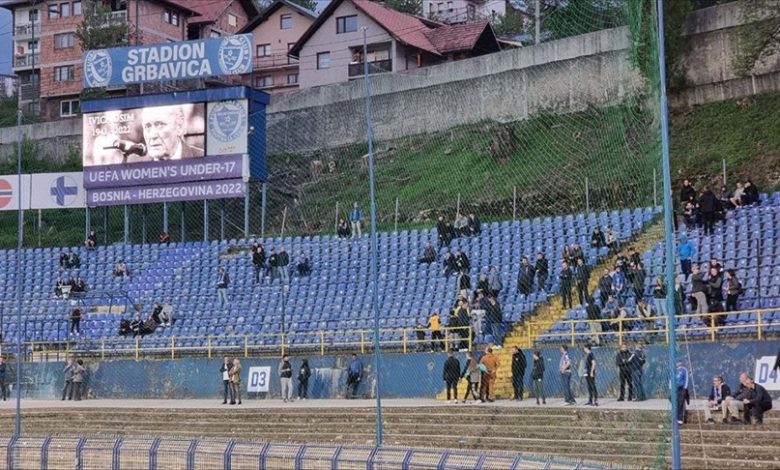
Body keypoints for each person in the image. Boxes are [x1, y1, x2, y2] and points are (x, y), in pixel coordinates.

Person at [676, 360, 689, 425]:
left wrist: (685, 388)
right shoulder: (674, 370)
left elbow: (686, 379)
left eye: (679, 362)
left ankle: (681, 419)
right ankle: (676, 417)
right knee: (676, 403)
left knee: (681, 403)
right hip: (675, 389)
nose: (678, 363)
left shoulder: (684, 370)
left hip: (682, 388)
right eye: (677, 362)